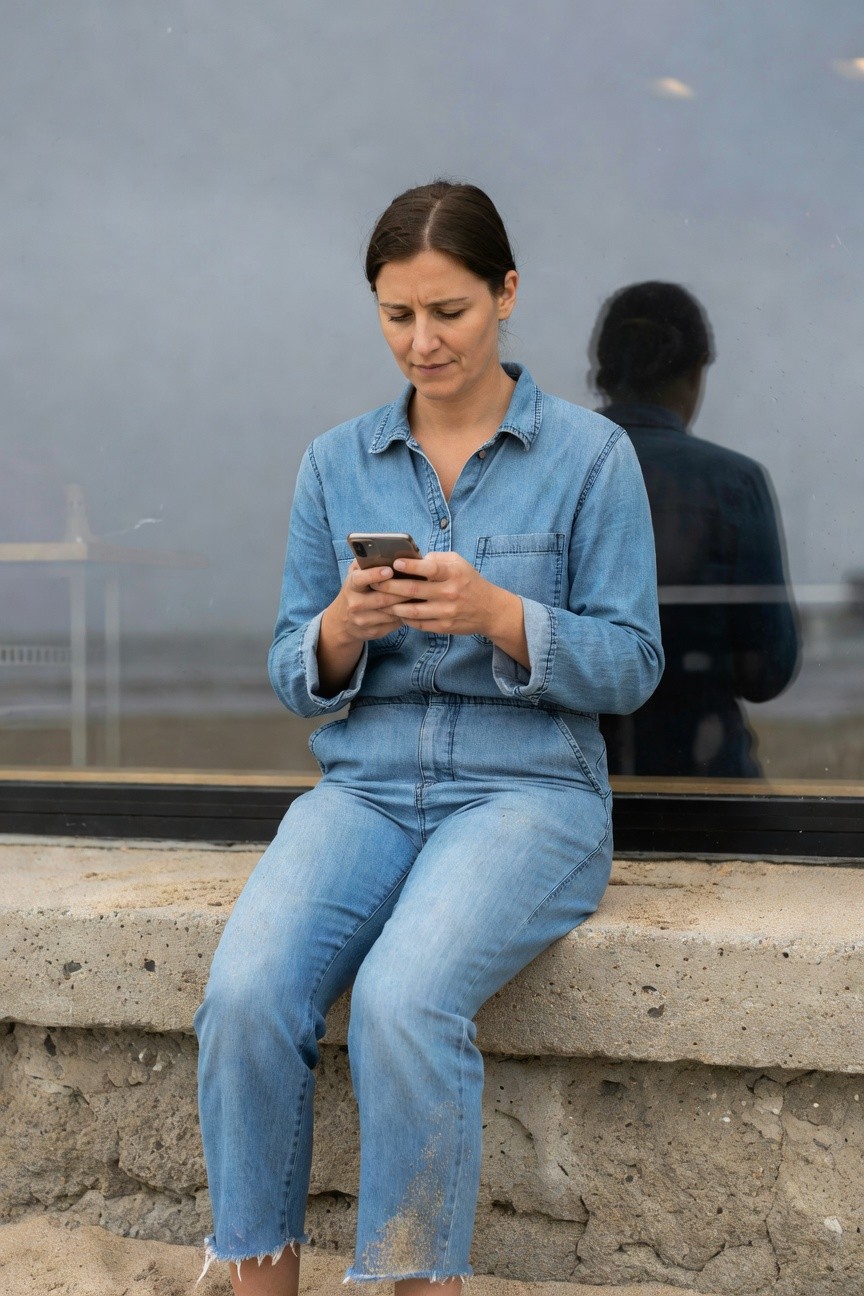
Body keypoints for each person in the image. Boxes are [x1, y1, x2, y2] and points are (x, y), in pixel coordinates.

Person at [194, 181, 663, 1295]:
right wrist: (342, 634)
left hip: (528, 794)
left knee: (406, 1004)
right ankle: (258, 1278)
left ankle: (411, 1284)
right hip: (363, 791)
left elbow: (634, 664)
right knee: (248, 994)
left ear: (507, 294)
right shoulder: (333, 463)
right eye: (398, 315)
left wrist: (501, 615)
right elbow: (288, 671)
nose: (424, 340)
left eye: (448, 311)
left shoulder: (593, 459)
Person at [591, 281, 799, 778]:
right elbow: (767, 672)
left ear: (605, 373)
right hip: (707, 783)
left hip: (580, 782)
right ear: (694, 373)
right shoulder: (734, 482)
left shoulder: (550, 471)